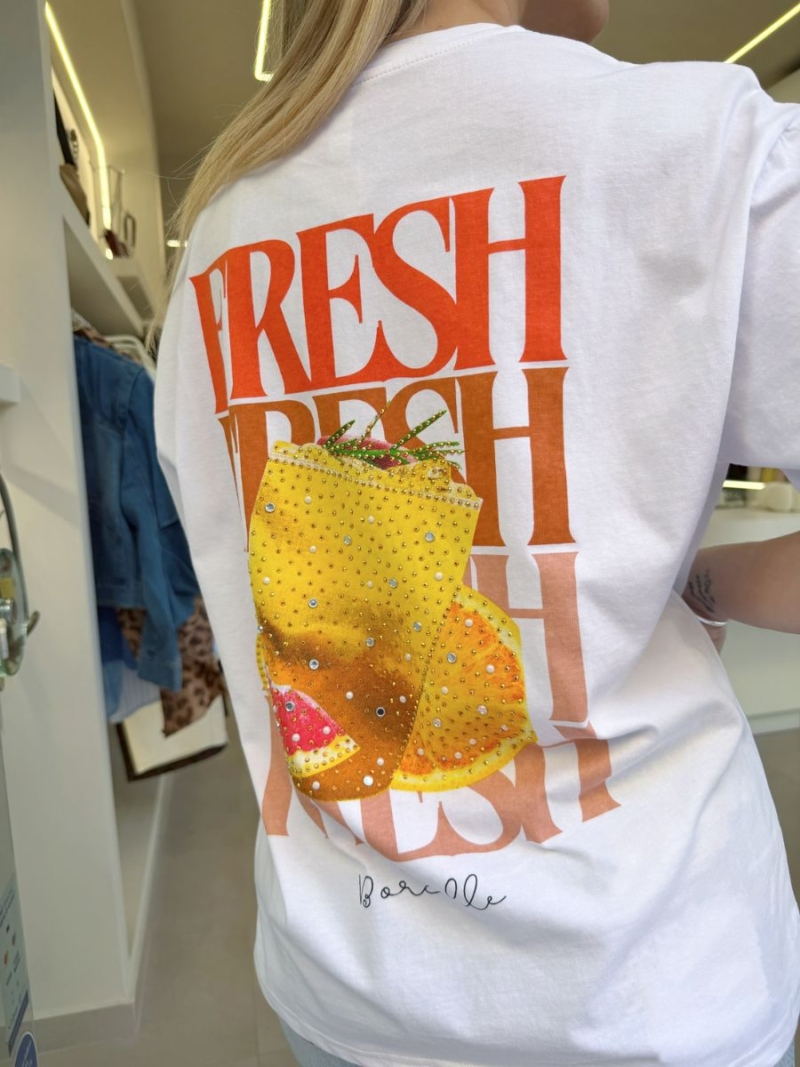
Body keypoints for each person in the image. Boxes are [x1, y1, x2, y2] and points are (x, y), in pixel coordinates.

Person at [153, 1, 800, 1064]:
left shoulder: (220, 227)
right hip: (644, 983)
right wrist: (705, 583)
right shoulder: (708, 146)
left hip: (346, 985)